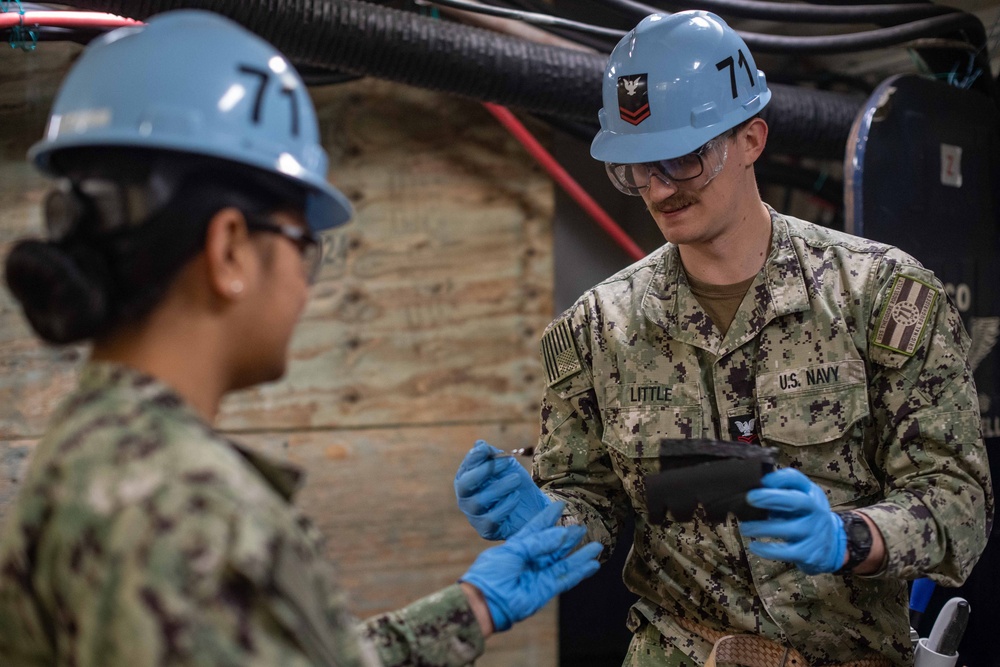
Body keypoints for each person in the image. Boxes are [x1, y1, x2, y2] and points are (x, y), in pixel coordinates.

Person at [0, 10, 603, 667]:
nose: (304, 281)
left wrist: (471, 607)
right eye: (301, 242)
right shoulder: (180, 509)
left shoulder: (101, 455)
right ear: (230, 248)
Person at [454, 10, 993, 666]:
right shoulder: (598, 328)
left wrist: (852, 535)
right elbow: (588, 498)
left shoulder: (880, 297)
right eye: (634, 168)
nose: (658, 187)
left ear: (752, 138)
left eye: (683, 156)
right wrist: (538, 513)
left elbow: (958, 504)